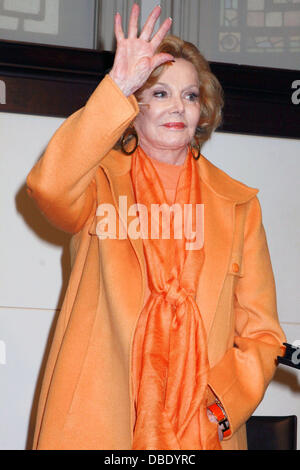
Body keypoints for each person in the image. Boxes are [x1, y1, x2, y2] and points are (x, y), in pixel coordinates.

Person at [26, 4, 286, 450]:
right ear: (135, 107)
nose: (178, 107)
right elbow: (48, 188)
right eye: (160, 93)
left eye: (190, 95)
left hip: (199, 430)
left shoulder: (239, 204)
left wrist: (218, 405)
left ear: (203, 111)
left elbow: (263, 334)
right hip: (99, 421)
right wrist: (116, 86)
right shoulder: (98, 182)